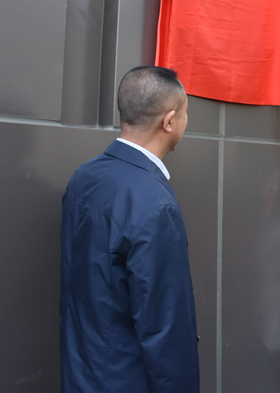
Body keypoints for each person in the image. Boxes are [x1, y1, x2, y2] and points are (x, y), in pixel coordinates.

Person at [60, 66, 199, 392]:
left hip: (82, 370)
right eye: (185, 112)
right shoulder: (155, 205)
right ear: (169, 121)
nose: (186, 120)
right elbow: (165, 328)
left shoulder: (85, 176)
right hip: (127, 379)